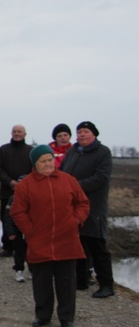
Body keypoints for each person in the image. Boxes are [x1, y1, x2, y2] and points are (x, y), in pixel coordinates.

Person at [10, 144, 90, 327]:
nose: (48, 164)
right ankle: (43, 316)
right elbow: (17, 211)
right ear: (34, 164)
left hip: (67, 240)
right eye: (43, 161)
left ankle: (66, 318)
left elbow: (83, 203)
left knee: (67, 283)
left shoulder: (68, 180)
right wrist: (30, 231)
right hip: (39, 241)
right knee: (41, 283)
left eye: (50, 160)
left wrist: (76, 221)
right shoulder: (25, 185)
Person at [60, 121, 114, 298]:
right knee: (77, 244)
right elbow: (61, 172)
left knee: (97, 245)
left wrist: (74, 187)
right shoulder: (73, 152)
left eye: (86, 132)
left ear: (94, 134)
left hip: (94, 207)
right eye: (79, 132)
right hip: (72, 207)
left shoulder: (103, 152)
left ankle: (106, 284)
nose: (82, 135)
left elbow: (101, 178)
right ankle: (80, 280)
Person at [0, 124, 33, 258]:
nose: (17, 134)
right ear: (11, 133)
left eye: (19, 132)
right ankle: (8, 247)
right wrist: (10, 182)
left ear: (24, 134)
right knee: (6, 219)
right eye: (14, 132)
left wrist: (23, 183)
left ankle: (26, 247)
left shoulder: (31, 151)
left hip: (26, 192)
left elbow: (34, 170)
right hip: (7, 191)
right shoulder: (4, 150)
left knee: (26, 219)